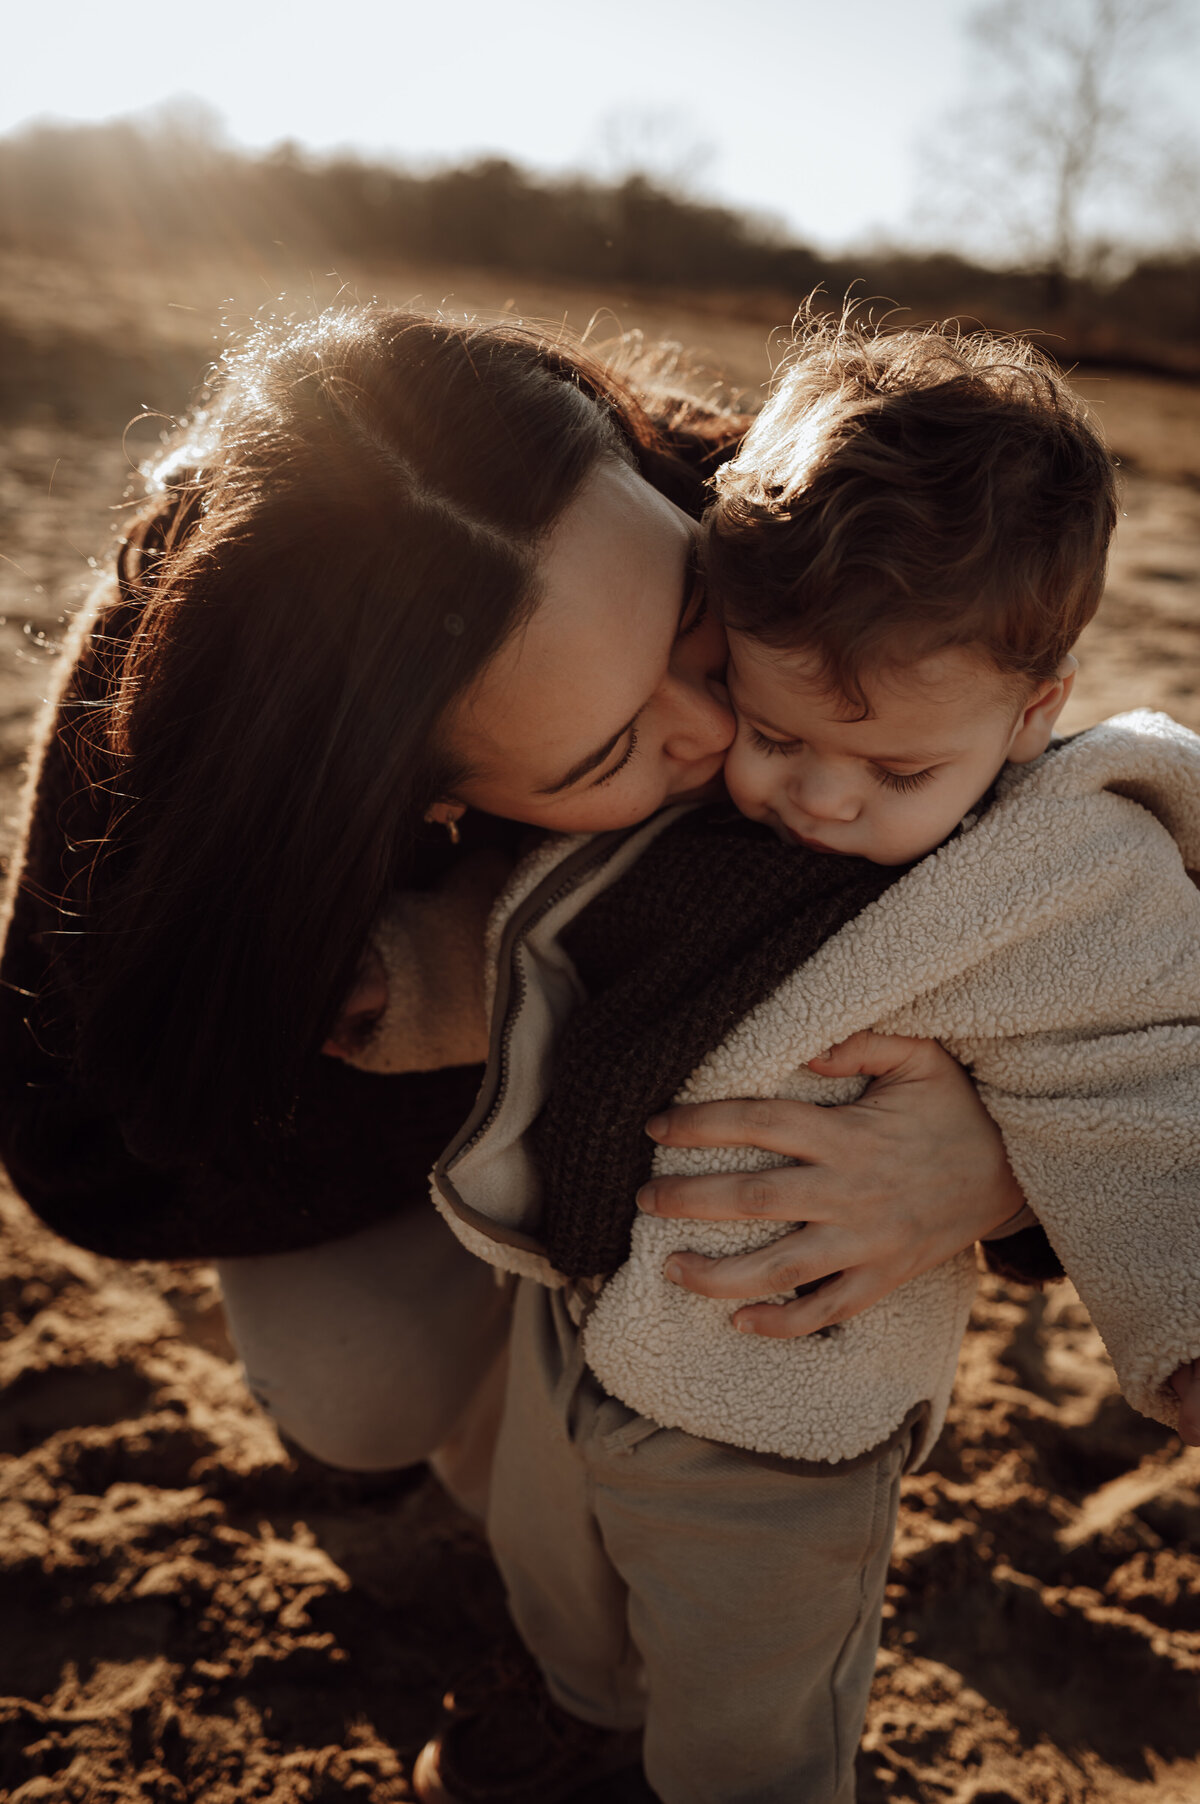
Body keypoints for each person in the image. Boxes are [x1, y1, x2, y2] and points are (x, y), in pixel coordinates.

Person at [0, 307, 1035, 1793]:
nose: (724, 735)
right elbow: (97, 1160)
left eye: (693, 630)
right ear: (418, 808)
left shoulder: (762, 517)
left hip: (728, 1233)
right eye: (611, 751)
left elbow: (1085, 901)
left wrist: (989, 1166)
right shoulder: (210, 793)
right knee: (359, 1385)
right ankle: (550, 1579)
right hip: (441, 1134)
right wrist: (530, 1000)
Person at [411, 314, 1200, 1804]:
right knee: (554, 1566)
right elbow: (546, 936)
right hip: (566, 1303)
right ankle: (580, 1718)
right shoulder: (699, 772)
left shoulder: (1065, 877)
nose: (820, 797)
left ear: (1033, 714)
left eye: (900, 769)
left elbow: (1153, 1091)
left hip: (786, 1392)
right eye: (778, 731)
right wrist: (399, 977)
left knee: (750, 1690)